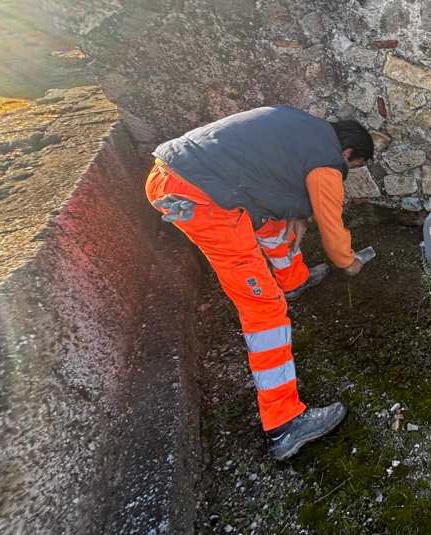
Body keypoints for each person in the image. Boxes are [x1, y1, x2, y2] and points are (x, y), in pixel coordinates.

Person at [145, 106, 374, 459]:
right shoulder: (328, 163)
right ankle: (284, 423)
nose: (346, 172)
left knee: (272, 227)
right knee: (265, 310)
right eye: (352, 168)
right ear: (348, 154)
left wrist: (297, 216)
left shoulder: (297, 125)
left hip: (176, 173)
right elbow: (332, 228)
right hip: (204, 202)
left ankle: (294, 279)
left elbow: (271, 185)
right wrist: (348, 262)